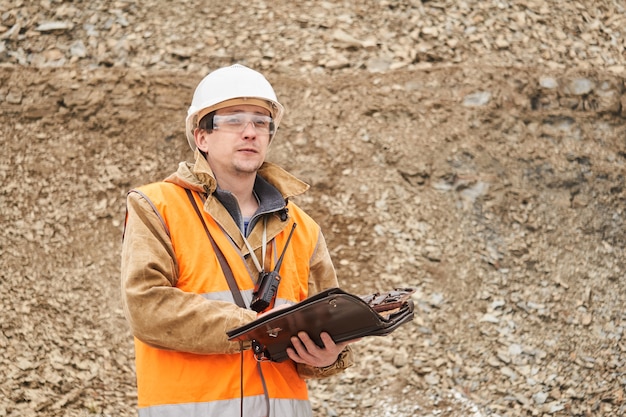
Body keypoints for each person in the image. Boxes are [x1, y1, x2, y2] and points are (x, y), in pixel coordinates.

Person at [120, 64, 356, 417]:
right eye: (233, 120)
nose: (250, 132)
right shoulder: (157, 206)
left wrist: (329, 356)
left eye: (261, 122)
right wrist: (254, 328)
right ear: (201, 137)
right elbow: (147, 308)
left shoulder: (302, 229)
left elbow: (326, 326)